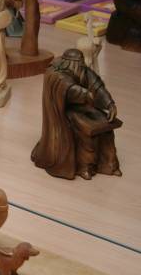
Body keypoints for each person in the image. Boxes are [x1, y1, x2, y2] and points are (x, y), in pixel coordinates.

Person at [31, 49, 122, 180]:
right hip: (63, 112)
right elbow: (68, 88)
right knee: (87, 134)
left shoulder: (82, 70)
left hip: (84, 107)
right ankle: (86, 167)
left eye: (81, 64)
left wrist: (109, 104)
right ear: (69, 63)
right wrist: (85, 94)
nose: (80, 67)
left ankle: (110, 165)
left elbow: (97, 87)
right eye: (77, 64)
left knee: (107, 130)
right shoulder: (56, 73)